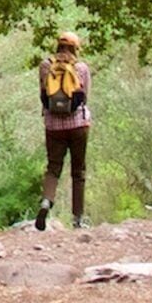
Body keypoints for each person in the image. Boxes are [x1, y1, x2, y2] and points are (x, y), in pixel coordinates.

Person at [33, 32, 93, 229]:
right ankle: (78, 218)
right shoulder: (81, 68)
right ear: (76, 48)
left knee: (53, 168)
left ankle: (46, 201)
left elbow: (43, 94)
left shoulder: (45, 66)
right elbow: (84, 97)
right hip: (78, 125)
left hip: (53, 127)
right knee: (78, 171)